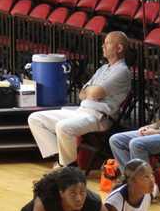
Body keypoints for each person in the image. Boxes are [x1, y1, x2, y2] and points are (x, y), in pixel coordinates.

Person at [28, 31, 131, 168]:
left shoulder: (122, 71)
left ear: (119, 48)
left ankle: (69, 167)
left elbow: (96, 92)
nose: (103, 46)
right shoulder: (102, 68)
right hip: (82, 110)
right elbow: (82, 93)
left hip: (99, 117)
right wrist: (91, 92)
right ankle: (61, 159)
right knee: (35, 118)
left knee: (63, 127)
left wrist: (91, 91)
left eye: (107, 43)